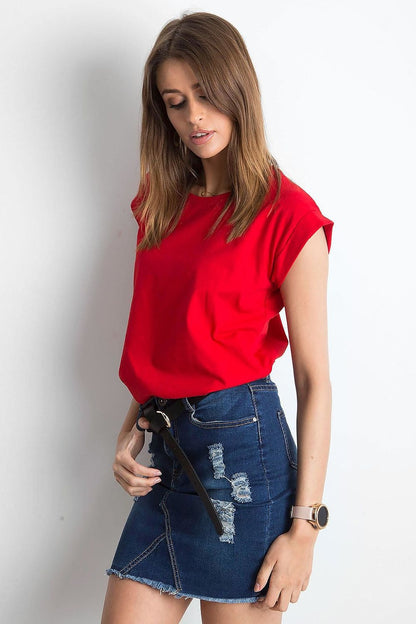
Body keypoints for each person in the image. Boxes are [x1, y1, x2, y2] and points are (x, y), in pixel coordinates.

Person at [101, 11, 334, 624]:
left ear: (239, 89)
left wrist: (305, 529)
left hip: (242, 465)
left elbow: (314, 380)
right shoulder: (161, 205)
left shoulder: (289, 215)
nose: (194, 117)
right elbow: (162, 339)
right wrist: (131, 430)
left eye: (205, 95)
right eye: (176, 102)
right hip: (167, 454)